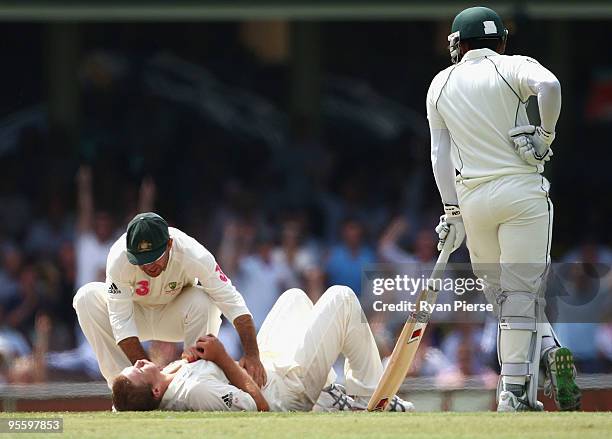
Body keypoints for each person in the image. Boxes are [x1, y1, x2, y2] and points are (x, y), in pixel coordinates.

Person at [426, 6, 580, 411]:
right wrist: (545, 136)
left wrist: (452, 210)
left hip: (474, 199)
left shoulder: (440, 83)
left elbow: (439, 154)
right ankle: (515, 391)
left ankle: (544, 355)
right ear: (502, 42)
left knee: (505, 297)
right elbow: (550, 86)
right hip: (521, 194)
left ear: (459, 44)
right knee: (521, 293)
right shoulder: (513, 66)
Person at [111, 286, 414, 413]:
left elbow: (122, 402)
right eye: (138, 371)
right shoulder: (196, 392)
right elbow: (259, 410)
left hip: (267, 370)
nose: (137, 363)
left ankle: (329, 397)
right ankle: (371, 398)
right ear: (153, 393)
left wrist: (191, 358)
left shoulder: (158, 385)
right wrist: (222, 359)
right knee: (342, 298)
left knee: (294, 298)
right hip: (286, 393)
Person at [73, 212, 266, 388]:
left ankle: (194, 383)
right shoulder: (119, 258)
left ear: (169, 244)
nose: (149, 266)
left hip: (176, 316)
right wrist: (149, 378)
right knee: (86, 297)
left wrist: (252, 354)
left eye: (154, 258)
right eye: (142, 260)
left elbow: (231, 300)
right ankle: (125, 388)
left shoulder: (193, 253)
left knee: (205, 299)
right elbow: (121, 322)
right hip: (136, 315)